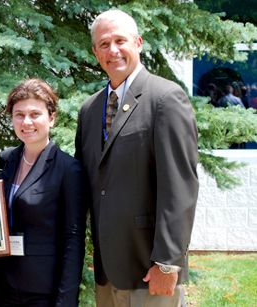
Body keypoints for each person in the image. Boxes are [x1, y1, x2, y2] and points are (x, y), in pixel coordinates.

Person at [75, 9, 199, 307]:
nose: (113, 50)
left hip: (150, 269)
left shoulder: (166, 99)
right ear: (95, 52)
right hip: (107, 272)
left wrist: (167, 262)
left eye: (121, 41)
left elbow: (180, 187)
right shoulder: (89, 110)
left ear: (139, 43)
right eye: (104, 44)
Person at [0, 79, 87, 306]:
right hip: (5, 286)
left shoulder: (68, 169)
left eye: (35, 114)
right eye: (19, 114)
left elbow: (73, 239)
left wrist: (65, 301)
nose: (26, 122)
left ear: (51, 118)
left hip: (44, 291)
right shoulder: (7, 160)